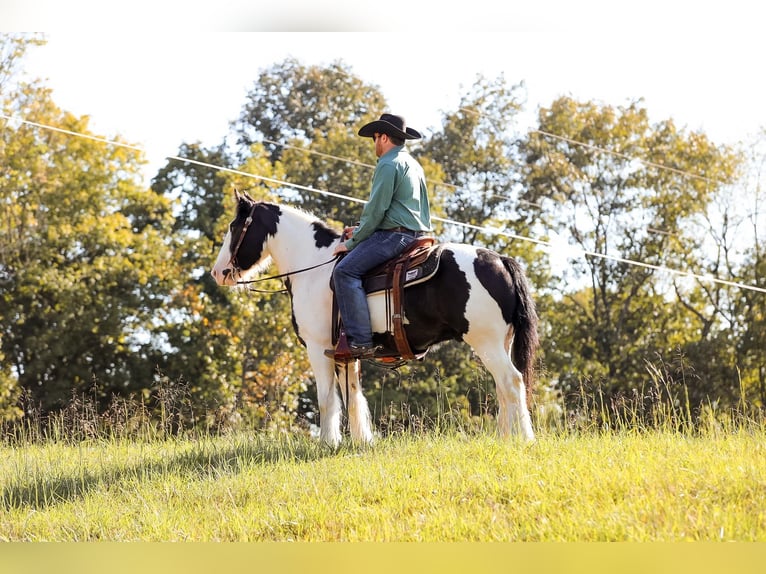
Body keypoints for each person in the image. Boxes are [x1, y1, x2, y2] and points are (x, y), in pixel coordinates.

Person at [325, 113, 432, 360]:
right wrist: (362, 228)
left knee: (345, 272)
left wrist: (351, 242)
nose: (374, 144)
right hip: (417, 235)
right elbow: (397, 209)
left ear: (383, 137)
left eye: (375, 138)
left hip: (394, 238)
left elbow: (376, 209)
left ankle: (360, 342)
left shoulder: (387, 163)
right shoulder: (414, 164)